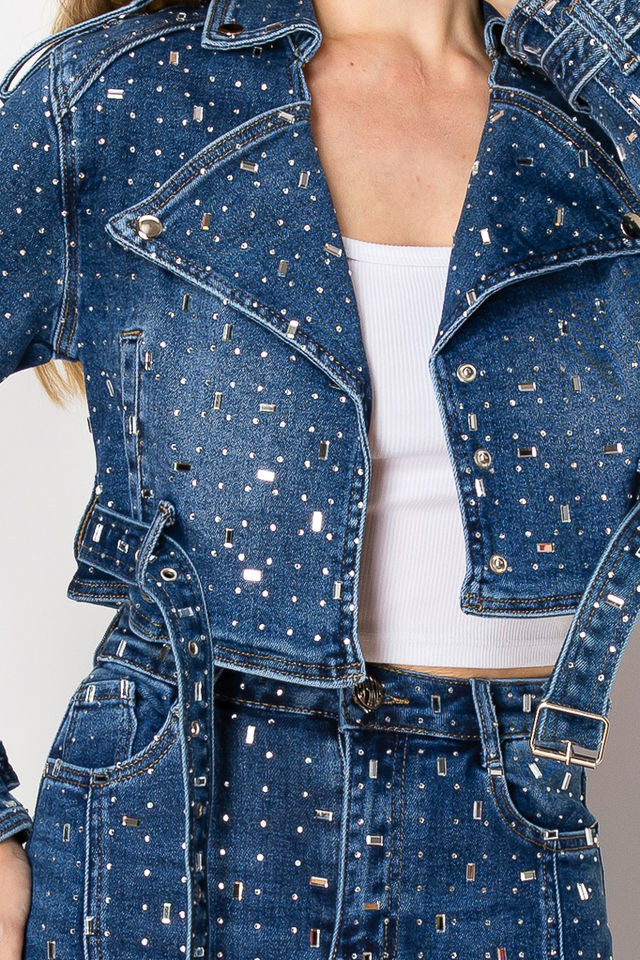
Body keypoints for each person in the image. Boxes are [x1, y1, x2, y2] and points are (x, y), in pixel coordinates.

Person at [0, 0, 637, 957]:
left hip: (512, 837)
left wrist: (582, 32)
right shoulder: (114, 93)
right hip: (170, 825)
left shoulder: (602, 105)